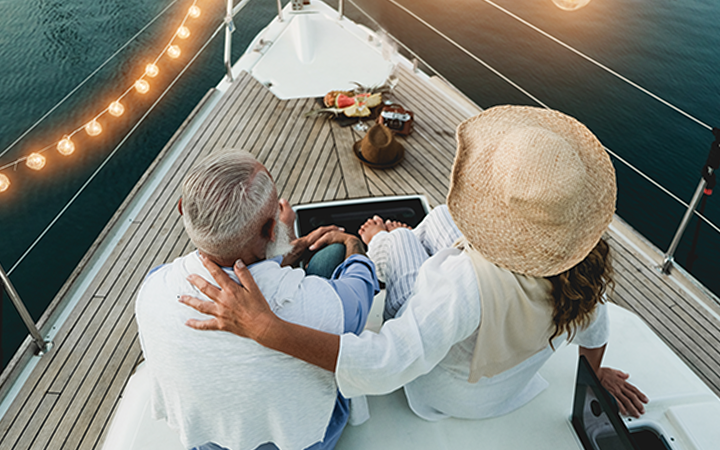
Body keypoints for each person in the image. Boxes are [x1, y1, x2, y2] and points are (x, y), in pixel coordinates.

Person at [179, 106, 649, 422]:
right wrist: (596, 374)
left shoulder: (462, 285)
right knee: (442, 220)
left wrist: (265, 329)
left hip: (449, 397)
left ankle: (382, 240)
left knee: (400, 241)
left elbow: (386, 365)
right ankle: (396, 237)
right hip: (508, 387)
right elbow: (596, 331)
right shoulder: (586, 265)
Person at [134, 149, 378, 450]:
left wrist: (284, 257)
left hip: (209, 440)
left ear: (184, 209)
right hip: (302, 440)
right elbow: (360, 296)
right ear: (273, 228)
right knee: (332, 256)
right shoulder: (315, 308)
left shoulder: (154, 285)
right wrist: (353, 244)